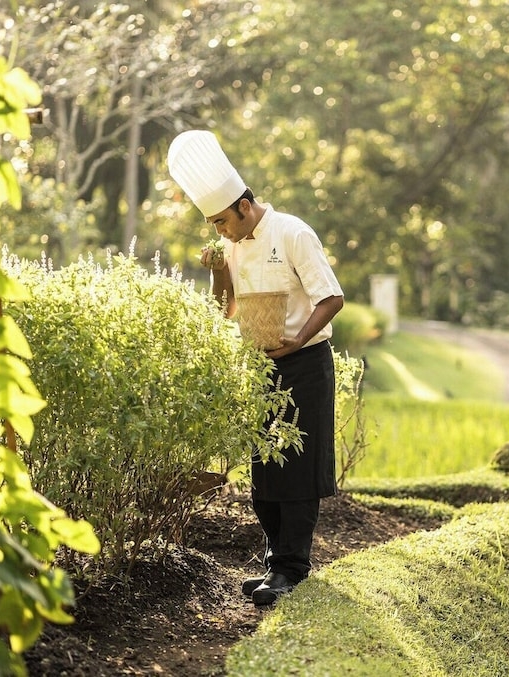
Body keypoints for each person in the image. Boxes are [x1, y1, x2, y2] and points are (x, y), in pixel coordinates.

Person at [167, 130, 345, 608]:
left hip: (304, 363)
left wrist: (298, 339)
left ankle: (292, 568)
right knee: (265, 472)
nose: (219, 232)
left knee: (297, 471)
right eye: (213, 224)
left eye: (222, 221)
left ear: (244, 206)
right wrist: (217, 271)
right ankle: (275, 564)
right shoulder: (233, 247)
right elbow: (224, 310)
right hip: (260, 368)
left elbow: (332, 298)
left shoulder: (293, 233)